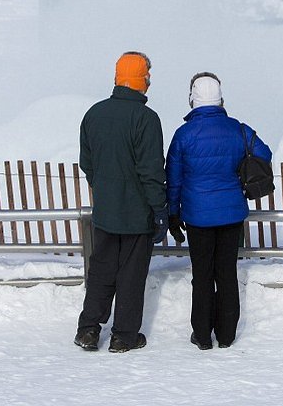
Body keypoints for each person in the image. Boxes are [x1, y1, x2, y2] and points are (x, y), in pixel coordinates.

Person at [165, 72, 271, 350]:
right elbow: (265, 153)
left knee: (202, 275)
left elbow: (173, 178)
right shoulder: (238, 129)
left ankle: (202, 335)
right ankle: (226, 335)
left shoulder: (183, 135)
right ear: (221, 98)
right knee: (226, 273)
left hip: (197, 216)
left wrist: (173, 214)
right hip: (231, 214)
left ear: (192, 100)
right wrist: (237, 171)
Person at [74, 51, 168, 353]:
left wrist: (102, 188)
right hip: (137, 214)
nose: (150, 83)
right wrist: (159, 210)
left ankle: (88, 329)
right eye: (148, 76)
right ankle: (124, 336)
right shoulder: (147, 119)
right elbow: (151, 171)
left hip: (105, 211)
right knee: (131, 274)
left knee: (101, 269)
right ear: (142, 80)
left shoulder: (94, 114)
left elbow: (86, 162)